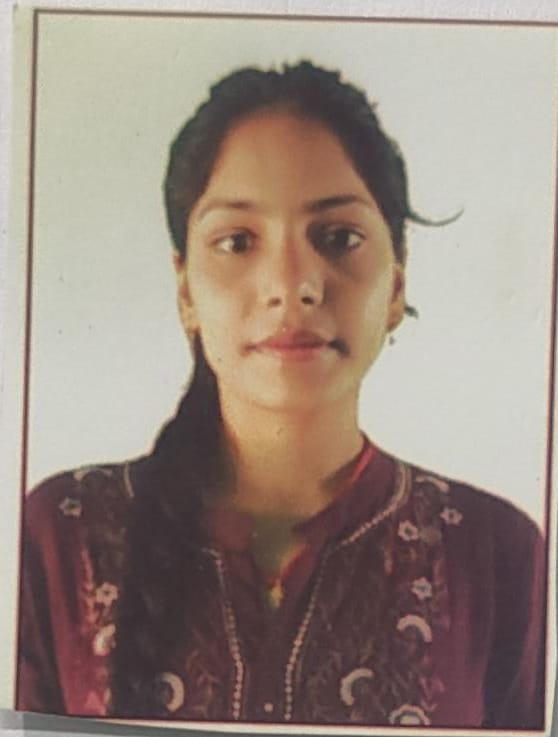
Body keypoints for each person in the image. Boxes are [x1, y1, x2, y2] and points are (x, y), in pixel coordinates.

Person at [17, 61, 546, 728]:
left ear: (397, 284)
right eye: (238, 241)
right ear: (186, 290)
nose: (292, 284)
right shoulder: (60, 537)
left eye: (339, 238)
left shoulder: (496, 555)